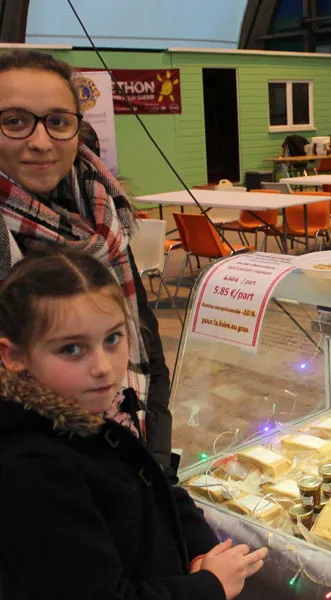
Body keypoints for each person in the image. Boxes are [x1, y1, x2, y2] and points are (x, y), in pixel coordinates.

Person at [0, 251, 267, 599]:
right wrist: (207, 587)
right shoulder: (33, 472)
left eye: (112, 339)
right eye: (70, 349)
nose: (103, 368)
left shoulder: (99, 415)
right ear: (14, 356)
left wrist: (202, 551)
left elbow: (156, 489)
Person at [0, 49, 174, 468]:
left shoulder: (101, 212)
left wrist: (156, 456)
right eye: (14, 121)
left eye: (58, 122)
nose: (41, 142)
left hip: (121, 450)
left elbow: (142, 337)